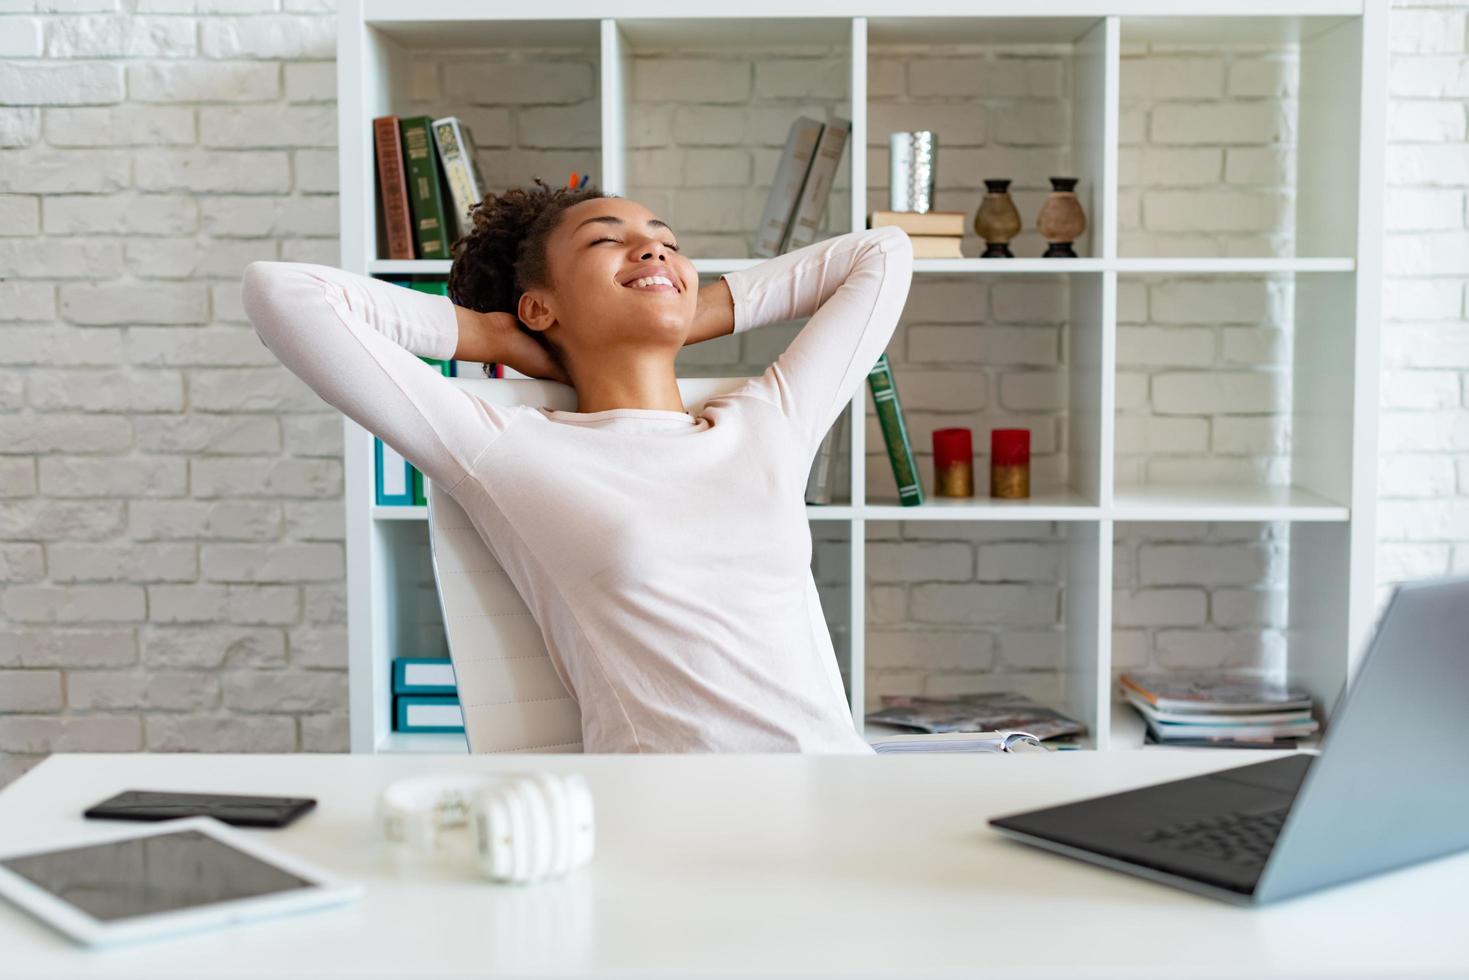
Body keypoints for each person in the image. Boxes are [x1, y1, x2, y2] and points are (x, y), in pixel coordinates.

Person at [240, 179, 914, 753]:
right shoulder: (509, 450)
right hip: (675, 823)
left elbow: (881, 252)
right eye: (603, 240)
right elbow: (284, 293)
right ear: (539, 305)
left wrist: (689, 307)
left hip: (839, 794)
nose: (652, 248)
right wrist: (498, 333)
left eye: (668, 244)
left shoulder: (766, 422)